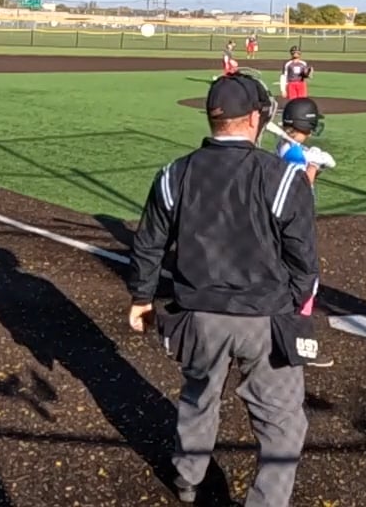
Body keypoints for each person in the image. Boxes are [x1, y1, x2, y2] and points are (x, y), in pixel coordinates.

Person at [128, 73, 318, 506]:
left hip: (198, 314)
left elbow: (149, 243)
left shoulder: (174, 174)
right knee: (282, 422)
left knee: (199, 397)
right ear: (253, 119)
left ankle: (187, 477)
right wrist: (292, 306)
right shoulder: (282, 177)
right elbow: (304, 259)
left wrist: (141, 297)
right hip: (265, 317)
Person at [272, 97, 337, 368]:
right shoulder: (294, 154)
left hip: (284, 221)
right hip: (296, 223)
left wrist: (312, 162)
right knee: (305, 281)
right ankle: (298, 340)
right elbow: (302, 189)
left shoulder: (286, 146)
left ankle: (282, 334)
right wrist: (314, 166)